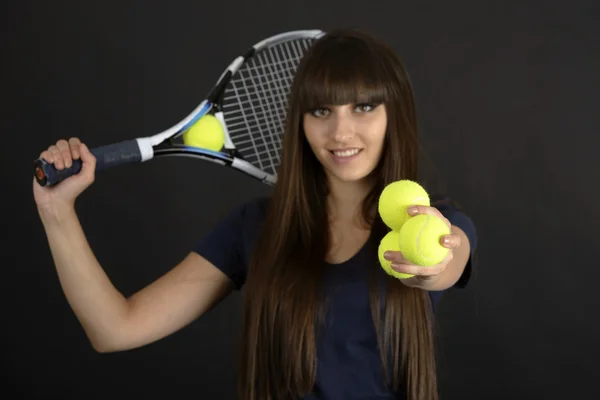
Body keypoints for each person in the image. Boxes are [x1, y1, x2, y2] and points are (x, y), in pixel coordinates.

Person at [33, 29, 478, 400]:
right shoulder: (256, 228)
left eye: (363, 107)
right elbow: (114, 329)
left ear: (393, 114)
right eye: (321, 110)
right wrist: (57, 211)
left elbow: (444, 263)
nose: (341, 131)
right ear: (300, 123)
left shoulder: (436, 222)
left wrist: (433, 262)